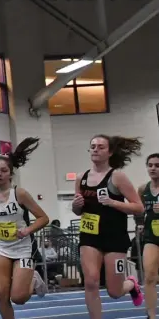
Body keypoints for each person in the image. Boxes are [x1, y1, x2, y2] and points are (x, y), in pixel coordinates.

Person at [0, 138, 49, 319]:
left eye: (3, 170)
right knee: (1, 294)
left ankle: (34, 278)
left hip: (23, 248)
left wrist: (28, 230)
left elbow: (44, 218)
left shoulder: (19, 194)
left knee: (19, 297)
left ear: (10, 174)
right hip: (1, 247)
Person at [72, 134, 144, 319]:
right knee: (91, 282)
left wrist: (114, 203)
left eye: (101, 147)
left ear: (110, 152)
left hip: (115, 239)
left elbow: (138, 208)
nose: (95, 149)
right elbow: (77, 212)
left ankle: (131, 284)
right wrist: (76, 206)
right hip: (89, 237)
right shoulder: (81, 177)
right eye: (93, 146)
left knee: (115, 291)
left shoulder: (117, 177)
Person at [139, 153, 159, 319]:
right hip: (151, 236)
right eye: (150, 165)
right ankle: (151, 315)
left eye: (157, 165)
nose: (153, 168)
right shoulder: (142, 189)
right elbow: (138, 209)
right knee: (150, 276)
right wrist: (139, 223)